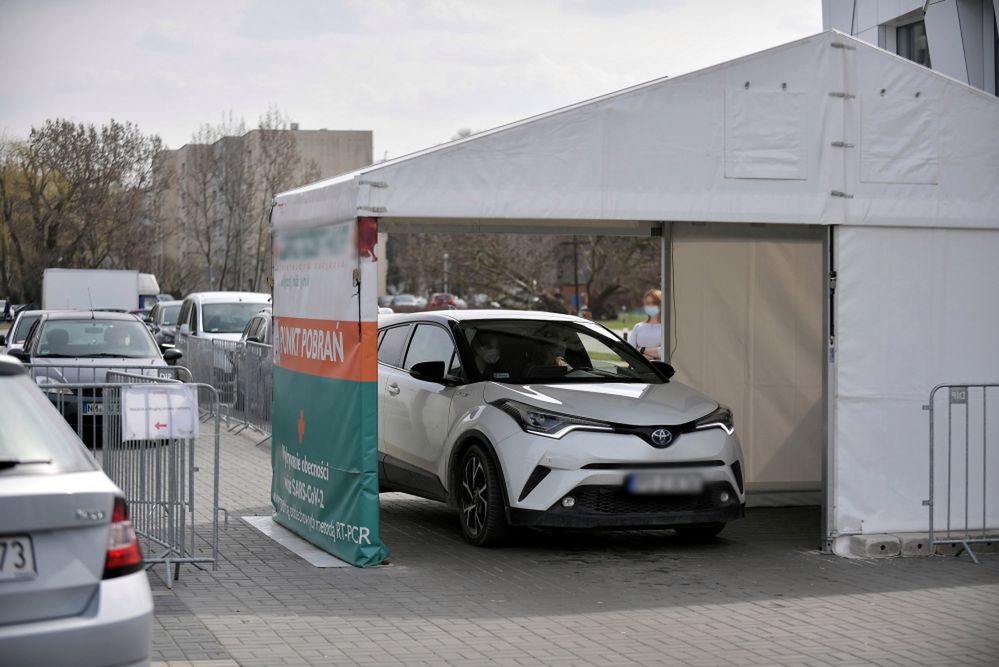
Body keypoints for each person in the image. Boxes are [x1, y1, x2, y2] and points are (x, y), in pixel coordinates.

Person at [630, 289, 664, 361]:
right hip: (638, 369)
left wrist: (641, 350)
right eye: (648, 303)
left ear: (661, 304)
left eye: (654, 303)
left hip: (660, 369)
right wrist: (654, 355)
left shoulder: (666, 328)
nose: (651, 306)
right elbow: (630, 351)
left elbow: (664, 351)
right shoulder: (638, 327)